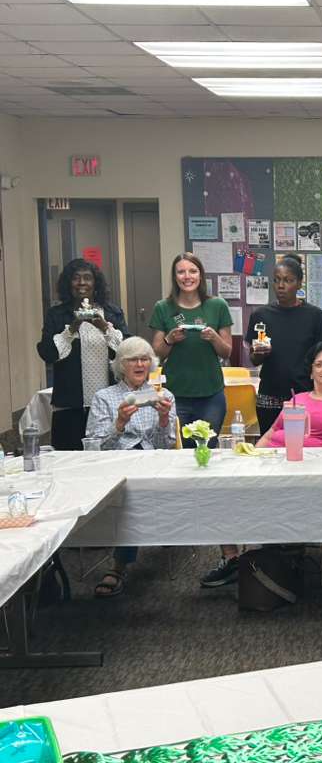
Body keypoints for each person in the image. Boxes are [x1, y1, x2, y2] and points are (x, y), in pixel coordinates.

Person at [148, 252, 235, 588]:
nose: (187, 276)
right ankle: (180, 525)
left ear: (201, 274)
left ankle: (220, 536)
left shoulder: (217, 306)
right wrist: (170, 339)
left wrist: (215, 339)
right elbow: (157, 352)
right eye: (181, 272)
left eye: (193, 271)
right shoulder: (163, 308)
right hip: (176, 395)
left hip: (211, 393)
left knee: (208, 459)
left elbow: (228, 352)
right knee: (178, 460)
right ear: (175, 276)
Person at [85, 337, 176, 597]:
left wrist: (163, 419)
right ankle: (120, 564)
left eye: (145, 359)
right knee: (131, 492)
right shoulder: (104, 397)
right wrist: (119, 424)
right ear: (120, 366)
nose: (140, 364)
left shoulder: (163, 395)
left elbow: (166, 445)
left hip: (153, 462)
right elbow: (94, 446)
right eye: (132, 359)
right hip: (117, 464)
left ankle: (119, 565)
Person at [36, 259, 128, 450]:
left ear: (96, 283)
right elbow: (48, 354)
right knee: (68, 456)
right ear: (68, 283)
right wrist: (72, 327)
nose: (82, 283)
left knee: (107, 456)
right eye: (75, 278)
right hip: (69, 404)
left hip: (107, 403)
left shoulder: (112, 312)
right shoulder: (57, 314)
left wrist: (104, 327)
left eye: (87, 278)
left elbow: (127, 352)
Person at [246, 254, 322, 434]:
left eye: (288, 280)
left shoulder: (314, 316)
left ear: (299, 284)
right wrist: (259, 353)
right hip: (269, 398)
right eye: (277, 280)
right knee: (271, 446)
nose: (281, 286)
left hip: (304, 396)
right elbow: (254, 360)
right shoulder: (260, 316)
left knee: (305, 444)